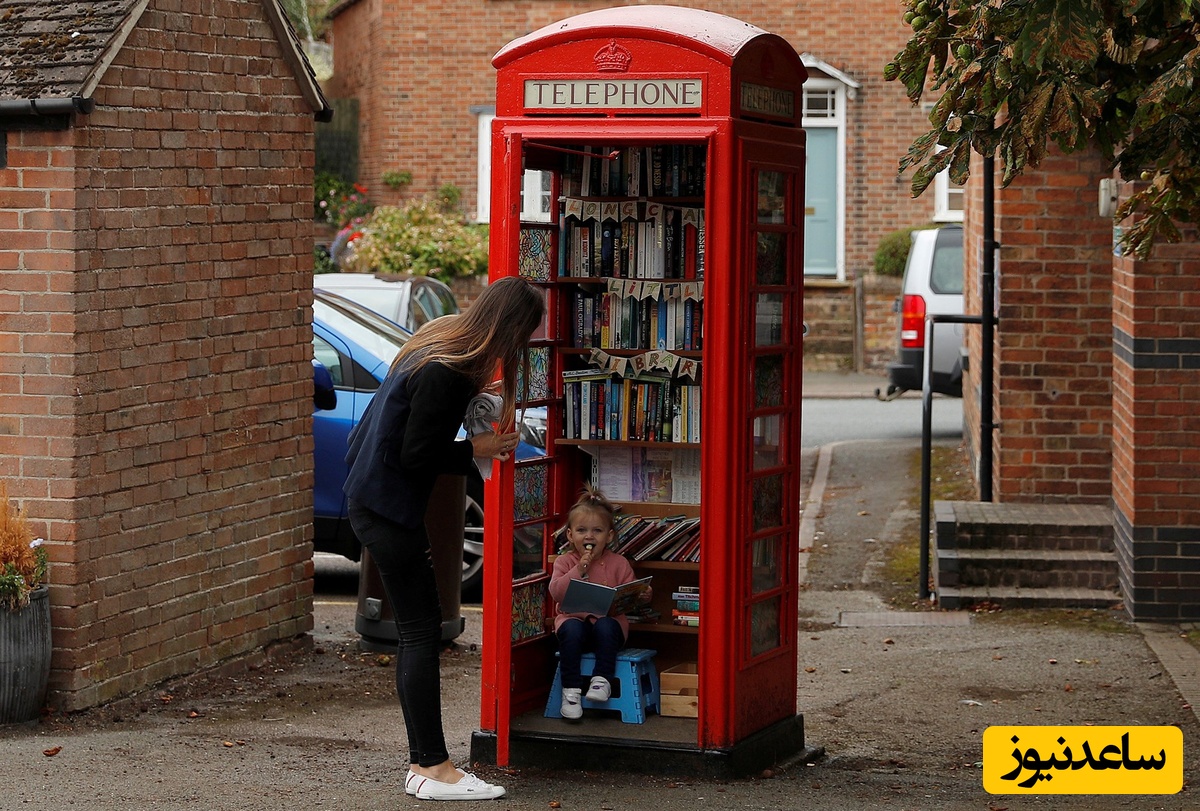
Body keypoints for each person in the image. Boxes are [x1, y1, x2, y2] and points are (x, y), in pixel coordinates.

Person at [343, 276, 544, 801]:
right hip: (386, 507)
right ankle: (432, 767)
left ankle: (426, 765)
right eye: (523, 337)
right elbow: (417, 455)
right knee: (420, 632)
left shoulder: (438, 341)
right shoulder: (449, 369)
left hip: (373, 497)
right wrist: (476, 447)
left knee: (421, 630)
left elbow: (385, 428)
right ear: (511, 329)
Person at [547, 486, 650, 720]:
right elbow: (556, 592)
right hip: (574, 627)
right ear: (571, 535)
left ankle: (601, 681)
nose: (589, 536)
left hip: (608, 629)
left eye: (597, 531)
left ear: (610, 536)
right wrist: (578, 569)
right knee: (571, 628)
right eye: (582, 530)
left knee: (606, 625)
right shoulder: (565, 561)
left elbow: (629, 593)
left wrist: (643, 594)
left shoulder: (619, 563)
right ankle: (571, 692)